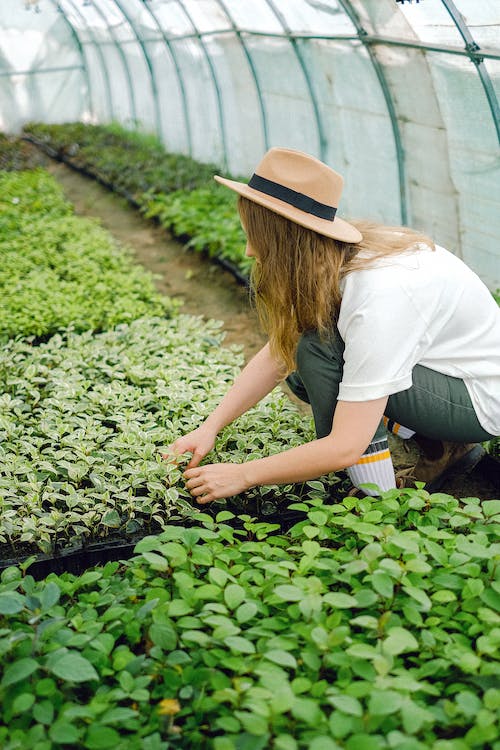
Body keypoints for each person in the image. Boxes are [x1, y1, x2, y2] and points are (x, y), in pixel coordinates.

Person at [164, 147, 500, 504]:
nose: (249, 251)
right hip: (441, 374)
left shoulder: (379, 293)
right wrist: (209, 428)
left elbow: (344, 447)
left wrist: (242, 474)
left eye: (256, 237)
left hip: (479, 400)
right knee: (302, 362)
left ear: (285, 241)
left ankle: (377, 501)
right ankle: (439, 446)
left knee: (318, 351)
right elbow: (278, 353)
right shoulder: (336, 258)